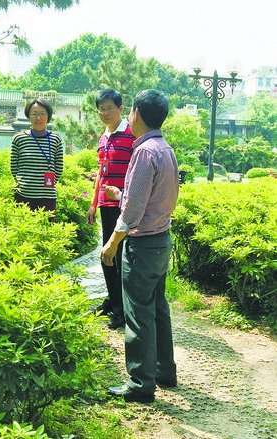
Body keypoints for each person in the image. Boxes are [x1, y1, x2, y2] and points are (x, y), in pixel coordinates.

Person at [101, 89, 179, 403]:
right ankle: (164, 371)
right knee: (158, 309)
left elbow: (133, 213)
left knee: (138, 314)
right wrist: (123, 197)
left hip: (142, 244)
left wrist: (111, 244)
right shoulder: (166, 149)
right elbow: (159, 197)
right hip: (161, 240)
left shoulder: (145, 152)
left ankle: (140, 383)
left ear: (135, 113)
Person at [86, 89, 135, 329]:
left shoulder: (131, 134)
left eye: (109, 108)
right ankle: (113, 301)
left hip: (126, 205)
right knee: (107, 254)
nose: (105, 113)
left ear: (120, 108)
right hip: (106, 205)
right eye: (101, 109)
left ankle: (122, 309)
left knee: (120, 255)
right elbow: (100, 174)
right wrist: (93, 203)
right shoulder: (103, 137)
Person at [10, 98, 63, 217]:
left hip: (47, 197)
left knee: (46, 232)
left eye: (42, 114)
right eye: (34, 114)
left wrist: (47, 185)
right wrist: (24, 183)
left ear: (48, 116)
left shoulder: (55, 139)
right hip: (23, 195)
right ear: (28, 116)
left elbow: (59, 168)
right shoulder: (19, 138)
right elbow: (14, 166)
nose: (38, 118)